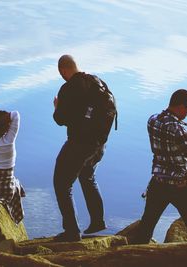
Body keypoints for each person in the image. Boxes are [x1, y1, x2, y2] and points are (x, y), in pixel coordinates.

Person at [133, 89, 187, 244]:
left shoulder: (152, 120)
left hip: (158, 182)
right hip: (181, 186)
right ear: (180, 107)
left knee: (146, 226)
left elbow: (172, 140)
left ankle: (134, 256)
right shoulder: (176, 129)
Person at [52, 55, 116, 242]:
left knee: (62, 183)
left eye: (61, 73)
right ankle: (98, 221)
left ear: (63, 70)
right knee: (86, 175)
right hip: (99, 144)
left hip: (80, 144)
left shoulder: (69, 88)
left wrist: (56, 107)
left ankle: (72, 232)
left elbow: (60, 119)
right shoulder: (97, 82)